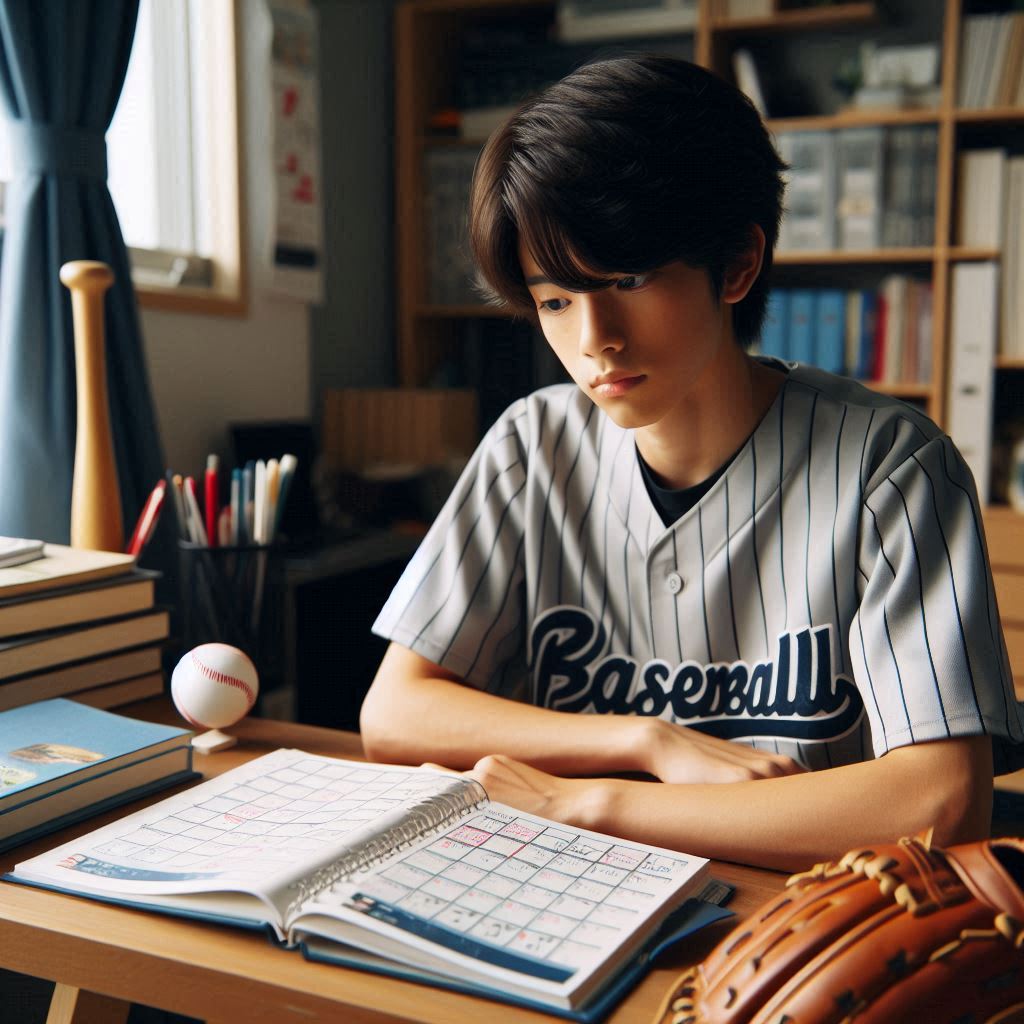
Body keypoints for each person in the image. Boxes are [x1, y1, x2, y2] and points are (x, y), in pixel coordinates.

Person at [360, 54, 1023, 870]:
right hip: (573, 895)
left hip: (803, 927)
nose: (593, 339)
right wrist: (647, 740)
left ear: (738, 264)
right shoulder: (529, 447)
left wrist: (595, 801)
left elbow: (943, 799)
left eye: (628, 277)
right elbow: (393, 713)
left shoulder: (892, 466)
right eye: (556, 300)